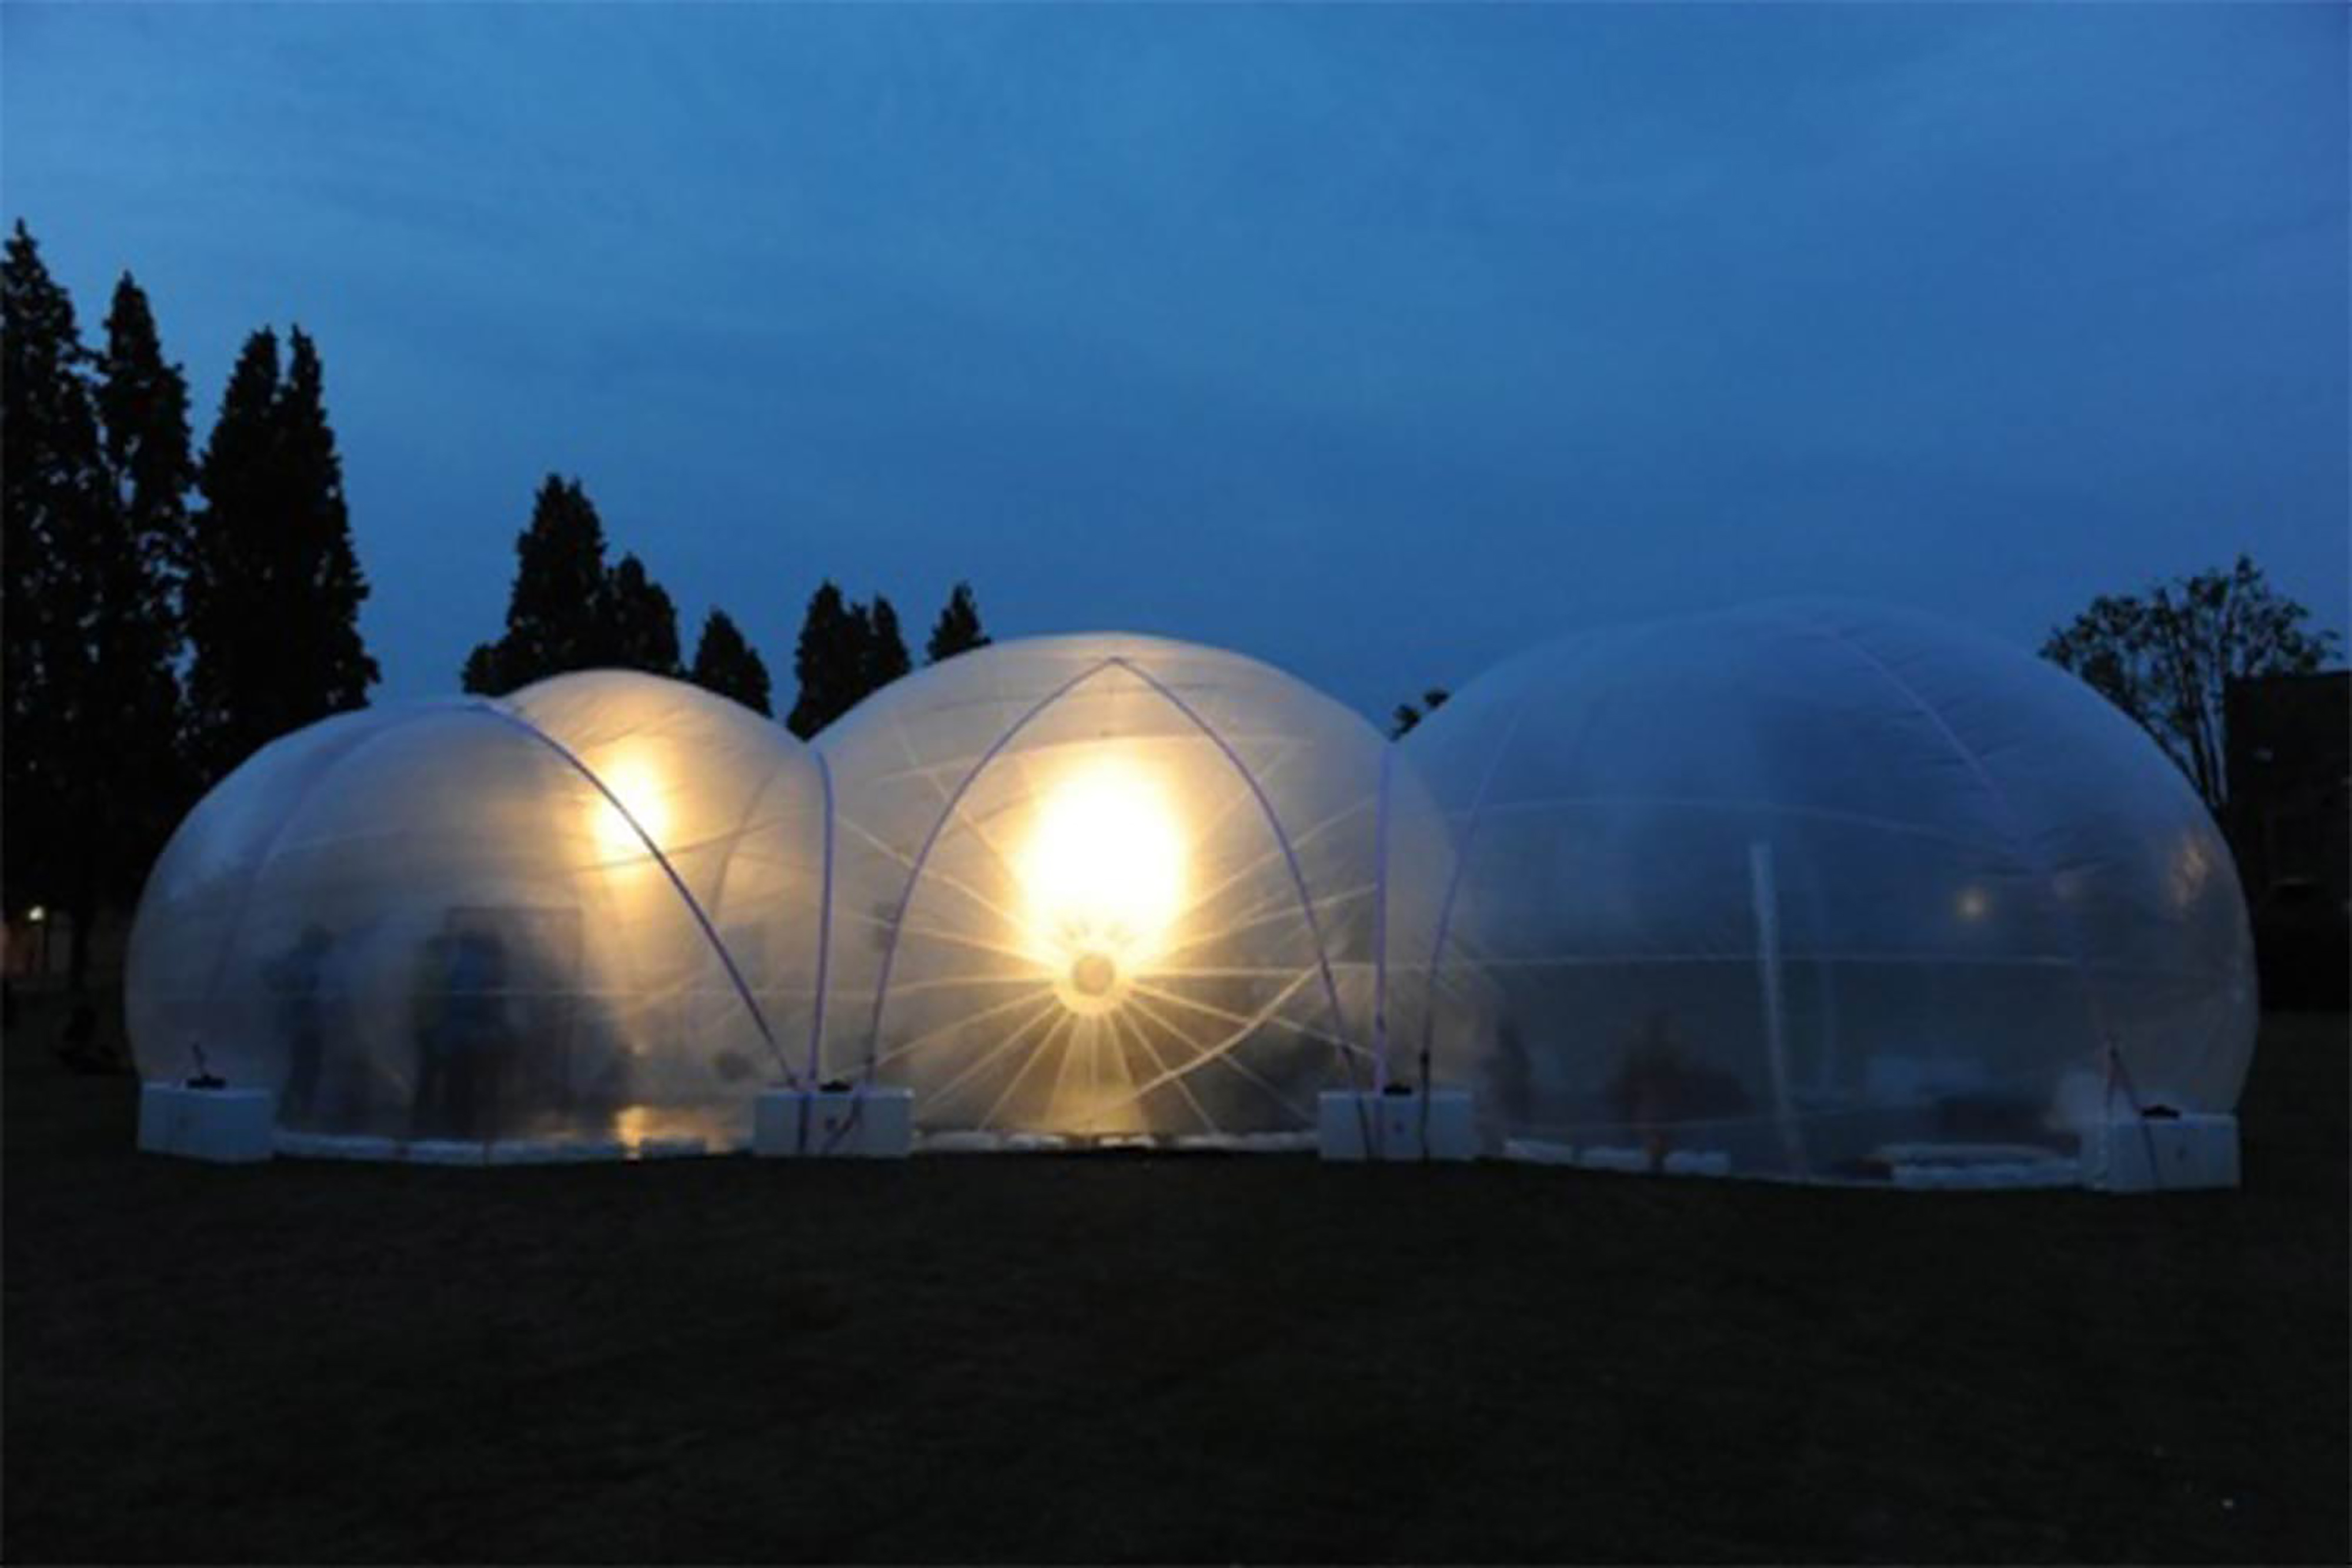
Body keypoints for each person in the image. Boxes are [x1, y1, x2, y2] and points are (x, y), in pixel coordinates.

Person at [262, 925, 333, 1126]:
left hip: (304, 1022)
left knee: (304, 1067)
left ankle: (295, 1108)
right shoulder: (304, 960)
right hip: (303, 1023)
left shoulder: (299, 958)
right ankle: (296, 1110)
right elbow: (291, 984)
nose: (328, 947)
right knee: (305, 1067)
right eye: (324, 942)